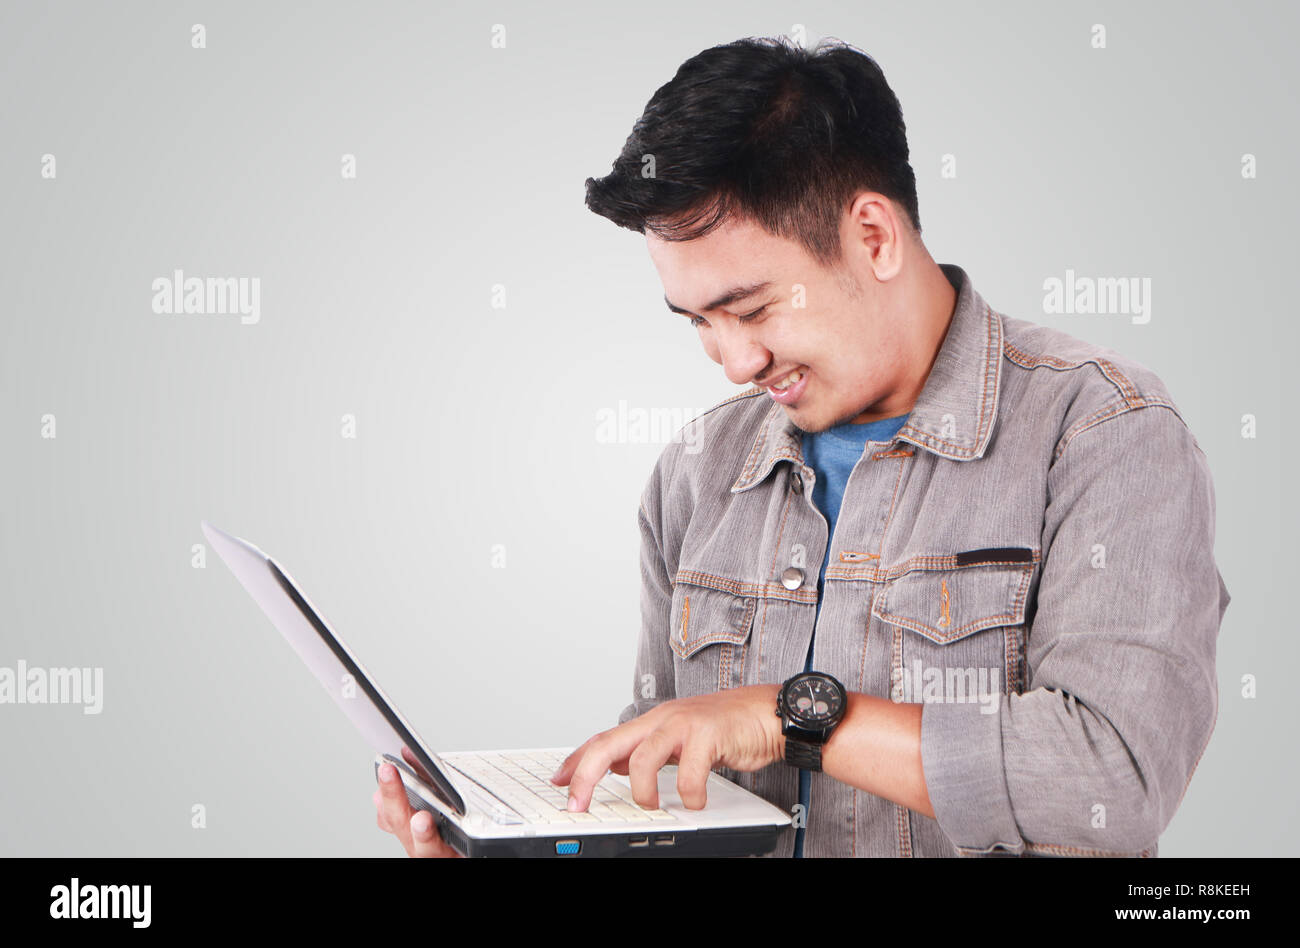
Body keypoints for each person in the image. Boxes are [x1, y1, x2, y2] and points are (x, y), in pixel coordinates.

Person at [376, 34, 1230, 858]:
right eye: (699, 324)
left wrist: (792, 716)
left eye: (751, 311)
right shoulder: (695, 473)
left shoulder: (1103, 432)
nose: (736, 363)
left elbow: (1114, 779)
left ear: (873, 237)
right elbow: (672, 801)